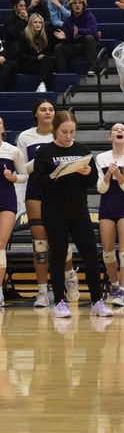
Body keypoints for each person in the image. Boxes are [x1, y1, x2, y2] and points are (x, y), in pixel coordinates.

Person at [33, 110, 110, 319]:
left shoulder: (83, 149)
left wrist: (87, 173)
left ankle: (97, 301)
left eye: (72, 132)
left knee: (91, 256)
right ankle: (59, 301)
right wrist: (56, 174)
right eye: (64, 131)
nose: (68, 136)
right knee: (58, 257)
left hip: (79, 212)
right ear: (55, 130)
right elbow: (40, 183)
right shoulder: (45, 152)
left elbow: (92, 180)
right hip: (54, 212)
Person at [16, 100, 79, 308]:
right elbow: (22, 170)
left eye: (51, 109)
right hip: (36, 191)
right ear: (35, 113)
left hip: (60, 191)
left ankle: (70, 277)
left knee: (60, 241)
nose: (48, 112)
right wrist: (43, 158)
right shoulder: (26, 137)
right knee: (40, 245)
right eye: (43, 109)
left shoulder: (61, 132)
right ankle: (42, 291)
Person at [96, 123, 124, 307]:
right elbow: (101, 188)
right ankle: (114, 286)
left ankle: (123, 291)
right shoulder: (101, 158)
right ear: (110, 136)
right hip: (107, 205)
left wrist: (118, 175)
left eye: (122, 130)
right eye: (115, 129)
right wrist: (108, 175)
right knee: (107, 251)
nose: (119, 131)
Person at [0, 117, 28, 307]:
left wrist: (13, 177)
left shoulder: (12, 150)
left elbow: (25, 175)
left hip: (6, 202)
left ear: (3, 127)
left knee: (0, 246)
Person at [54, 0, 99, 75]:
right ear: (71, 6)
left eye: (80, 3)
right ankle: (62, 75)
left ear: (83, 5)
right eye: (75, 3)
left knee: (89, 38)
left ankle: (92, 69)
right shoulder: (67, 20)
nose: (77, 5)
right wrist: (64, 37)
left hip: (88, 46)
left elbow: (93, 30)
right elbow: (69, 40)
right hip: (75, 47)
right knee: (58, 48)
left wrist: (79, 31)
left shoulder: (88, 15)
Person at [14, 13, 55, 93]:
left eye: (40, 23)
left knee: (47, 61)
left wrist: (43, 58)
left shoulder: (45, 36)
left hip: (41, 65)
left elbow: (49, 53)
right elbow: (20, 56)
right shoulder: (24, 35)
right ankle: (42, 86)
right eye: (35, 22)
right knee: (49, 68)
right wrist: (36, 58)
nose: (38, 24)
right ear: (30, 23)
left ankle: (42, 85)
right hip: (27, 65)